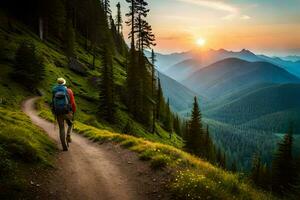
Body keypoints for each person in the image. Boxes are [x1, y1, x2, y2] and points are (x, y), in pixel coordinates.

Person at [52, 78, 76, 151]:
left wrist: (54, 111)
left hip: (58, 112)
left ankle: (64, 146)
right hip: (67, 111)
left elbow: (53, 102)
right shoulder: (69, 91)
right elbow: (72, 103)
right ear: (64, 83)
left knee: (61, 128)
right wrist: (73, 111)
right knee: (70, 124)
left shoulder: (54, 90)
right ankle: (68, 135)